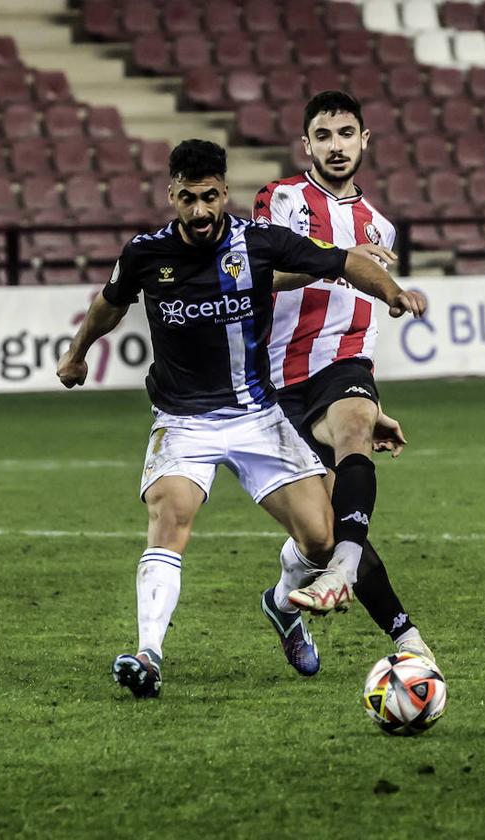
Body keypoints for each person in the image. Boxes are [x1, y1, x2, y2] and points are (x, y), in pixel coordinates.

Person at [56, 139, 425, 699]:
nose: (200, 211)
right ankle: (148, 654)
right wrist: (77, 351)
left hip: (258, 416)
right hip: (182, 421)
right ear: (171, 195)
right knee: (170, 517)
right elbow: (112, 300)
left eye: (209, 197)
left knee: (322, 537)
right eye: (188, 198)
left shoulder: (257, 243)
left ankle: (281, 604)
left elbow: (344, 260)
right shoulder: (146, 253)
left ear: (225, 192)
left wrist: (392, 292)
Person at [253, 91, 436, 676]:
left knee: (355, 427)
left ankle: (406, 639)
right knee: (320, 531)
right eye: (324, 136)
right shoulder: (281, 199)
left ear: (364, 141)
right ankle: (285, 601)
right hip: (276, 380)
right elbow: (257, 274)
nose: (336, 146)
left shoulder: (381, 224)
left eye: (346, 134)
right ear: (307, 145)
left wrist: (369, 396)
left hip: (344, 366)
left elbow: (361, 318)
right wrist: (336, 256)